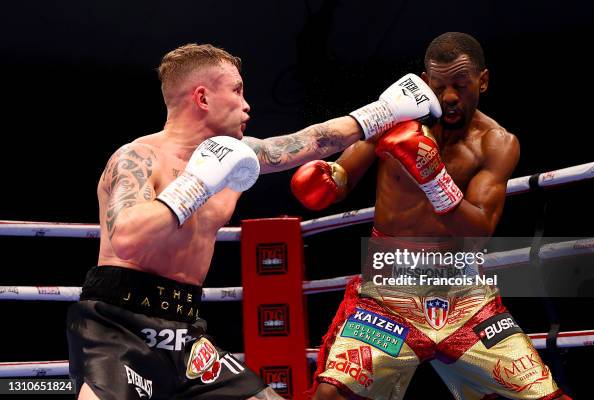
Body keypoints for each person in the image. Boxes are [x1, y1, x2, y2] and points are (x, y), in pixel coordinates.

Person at [66, 43, 441, 400]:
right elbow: (127, 238)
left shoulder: (238, 157)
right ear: (202, 98)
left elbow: (310, 141)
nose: (247, 105)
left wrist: (385, 111)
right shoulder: (137, 157)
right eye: (237, 90)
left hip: (185, 330)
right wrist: (196, 183)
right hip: (119, 324)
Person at [291, 32, 571, 400]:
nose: (449, 97)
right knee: (331, 396)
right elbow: (343, 175)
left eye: (460, 84)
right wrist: (331, 179)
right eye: (438, 86)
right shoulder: (396, 119)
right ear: (424, 82)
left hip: (465, 298)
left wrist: (433, 175)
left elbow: (479, 231)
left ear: (482, 81)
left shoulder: (497, 143)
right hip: (388, 298)